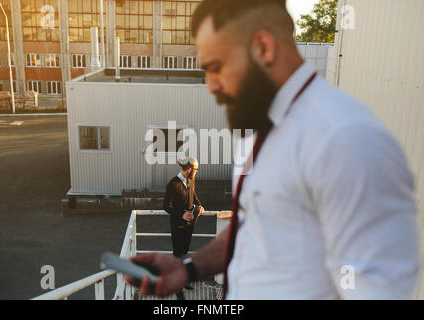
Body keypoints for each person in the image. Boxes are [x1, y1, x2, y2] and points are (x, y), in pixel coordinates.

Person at [125, 0, 420, 299]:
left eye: (216, 67)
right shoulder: (255, 131)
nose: (210, 85)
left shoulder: (349, 141)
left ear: (263, 47)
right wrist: (187, 268)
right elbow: (251, 226)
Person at [163, 156, 204, 299]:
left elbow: (193, 195)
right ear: (189, 169)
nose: (197, 173)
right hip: (178, 226)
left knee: (185, 254)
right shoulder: (173, 184)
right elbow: (166, 206)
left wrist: (199, 205)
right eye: (196, 170)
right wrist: (182, 215)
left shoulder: (191, 181)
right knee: (177, 255)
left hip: (189, 225)